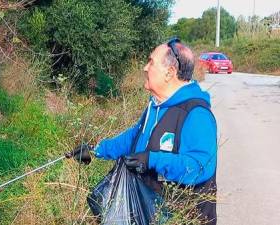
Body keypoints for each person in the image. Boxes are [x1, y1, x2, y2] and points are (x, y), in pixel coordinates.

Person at [73, 38, 217, 224]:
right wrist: (95, 150)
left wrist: (152, 159)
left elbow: (199, 167)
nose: (145, 68)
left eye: (151, 62)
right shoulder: (156, 106)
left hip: (182, 218)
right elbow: (135, 137)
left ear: (169, 73)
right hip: (150, 212)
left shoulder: (197, 114)